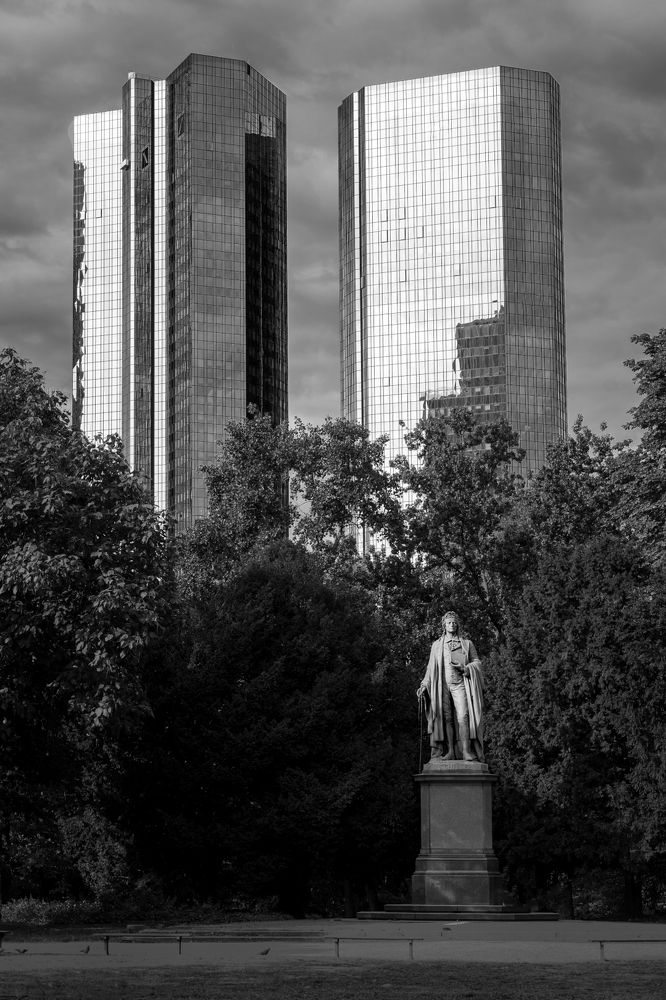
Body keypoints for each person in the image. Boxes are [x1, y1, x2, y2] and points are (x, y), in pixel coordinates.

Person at [417, 611, 484, 763]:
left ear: (457, 624)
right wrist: (424, 685)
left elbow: (477, 662)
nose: (452, 625)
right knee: (446, 719)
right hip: (442, 686)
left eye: (454, 622)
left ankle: (466, 751)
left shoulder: (467, 643)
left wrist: (466, 668)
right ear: (444, 626)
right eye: (449, 623)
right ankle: (450, 752)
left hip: (460, 684)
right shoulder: (436, 645)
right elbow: (430, 668)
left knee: (463, 716)